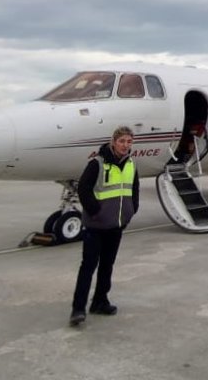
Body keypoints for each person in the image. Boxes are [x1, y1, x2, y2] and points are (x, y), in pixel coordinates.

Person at [70, 125, 140, 327]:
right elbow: (84, 189)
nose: (125, 146)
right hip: (96, 226)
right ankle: (78, 308)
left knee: (107, 266)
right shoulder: (97, 164)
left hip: (116, 225)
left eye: (129, 142)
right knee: (88, 267)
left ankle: (100, 301)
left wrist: (131, 210)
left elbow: (134, 189)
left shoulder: (131, 165)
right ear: (113, 142)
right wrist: (95, 212)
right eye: (121, 141)